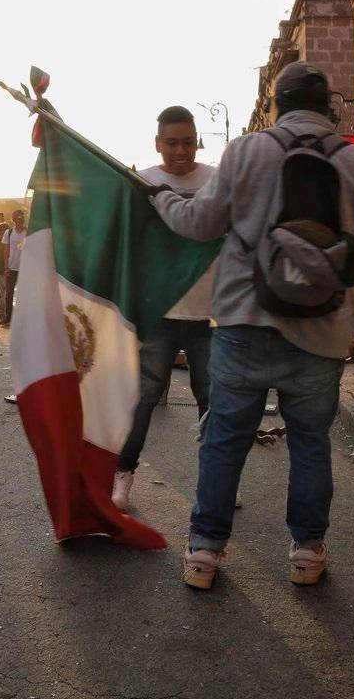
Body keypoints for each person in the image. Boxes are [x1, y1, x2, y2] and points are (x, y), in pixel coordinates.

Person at [149, 62, 354, 588]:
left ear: (276, 108)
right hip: (323, 333)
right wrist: (344, 295)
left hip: (244, 322)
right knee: (311, 443)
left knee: (224, 439)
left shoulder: (246, 152)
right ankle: (307, 554)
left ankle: (204, 553)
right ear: (329, 108)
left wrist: (161, 198)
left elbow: (200, 225)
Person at [111, 106, 217, 510]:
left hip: (209, 313)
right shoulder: (142, 183)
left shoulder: (216, 180)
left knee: (213, 402)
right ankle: (122, 475)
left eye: (188, 142)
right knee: (143, 399)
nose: (180, 151)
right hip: (159, 314)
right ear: (158, 144)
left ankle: (216, 480)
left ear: (197, 141)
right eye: (171, 143)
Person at [0, 210, 26, 326]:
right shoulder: (9, 233)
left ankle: (23, 317)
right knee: (9, 294)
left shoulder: (28, 232)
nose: (21, 221)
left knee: (24, 294)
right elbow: (5, 251)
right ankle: (8, 317)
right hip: (12, 268)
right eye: (18, 219)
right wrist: (6, 267)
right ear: (14, 220)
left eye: (22, 218)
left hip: (25, 268)